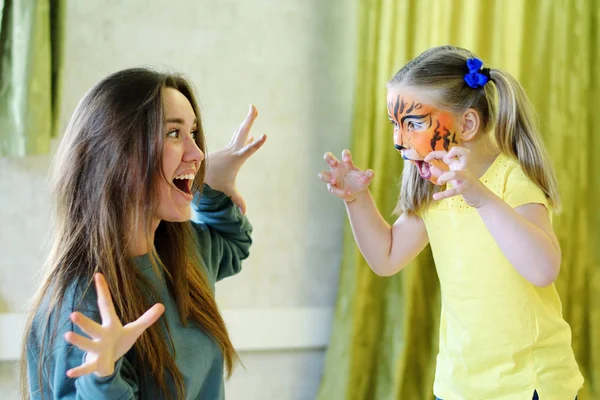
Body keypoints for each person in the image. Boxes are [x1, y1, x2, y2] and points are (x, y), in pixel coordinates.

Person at [319, 45, 583, 399]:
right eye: (395, 125)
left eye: (412, 123)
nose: (399, 141)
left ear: (468, 124)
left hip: (527, 385)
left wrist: (481, 199)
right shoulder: (432, 189)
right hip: (459, 384)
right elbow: (386, 257)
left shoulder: (511, 180)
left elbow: (542, 269)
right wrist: (356, 199)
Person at [20, 67, 266, 400]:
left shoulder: (183, 250)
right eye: (174, 133)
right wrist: (102, 378)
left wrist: (212, 187)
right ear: (118, 153)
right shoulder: (83, 305)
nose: (197, 154)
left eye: (193, 132)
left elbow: (234, 245)